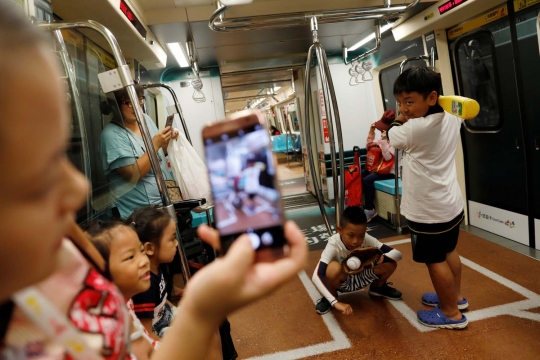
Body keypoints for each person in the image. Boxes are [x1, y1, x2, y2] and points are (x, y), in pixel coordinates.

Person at [0, 4, 308, 358]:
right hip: (137, 208)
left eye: (57, 154)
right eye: (34, 175)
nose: (79, 188)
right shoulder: (111, 137)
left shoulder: (70, 258)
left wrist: (204, 309)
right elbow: (131, 173)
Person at [388, 67, 468, 329]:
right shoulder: (453, 116)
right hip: (451, 204)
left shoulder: (414, 129)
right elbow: (454, 106)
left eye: (409, 102)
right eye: (400, 102)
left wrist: (399, 117)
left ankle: (450, 314)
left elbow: (393, 134)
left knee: (435, 261)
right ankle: (455, 297)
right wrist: (412, 108)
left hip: (428, 210)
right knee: (449, 251)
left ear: (432, 98)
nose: (404, 108)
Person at [99, 84, 179, 219]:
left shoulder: (145, 120)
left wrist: (167, 142)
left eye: (139, 100)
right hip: (137, 215)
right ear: (115, 106)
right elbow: (134, 175)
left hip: (162, 205)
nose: (136, 106)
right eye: (129, 103)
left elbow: (159, 154)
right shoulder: (112, 135)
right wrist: (154, 145)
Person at [312, 207, 403, 315]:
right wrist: (335, 302)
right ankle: (329, 298)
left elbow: (398, 254)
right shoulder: (334, 244)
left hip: (362, 276)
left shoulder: (367, 238)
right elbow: (316, 275)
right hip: (343, 282)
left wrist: (379, 259)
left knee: (390, 263)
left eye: (361, 235)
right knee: (332, 268)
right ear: (340, 230)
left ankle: (377, 288)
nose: (356, 241)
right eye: (351, 235)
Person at [86, 220, 158, 359]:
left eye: (141, 250)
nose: (144, 261)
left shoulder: (127, 303)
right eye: (130, 257)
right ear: (100, 272)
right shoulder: (111, 323)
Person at [362, 110, 396, 222]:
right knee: (360, 175)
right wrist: (371, 133)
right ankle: (360, 202)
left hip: (390, 173)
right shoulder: (382, 138)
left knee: (367, 180)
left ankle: (370, 209)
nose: (381, 130)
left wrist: (385, 141)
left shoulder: (396, 141)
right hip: (379, 169)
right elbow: (369, 147)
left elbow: (388, 158)